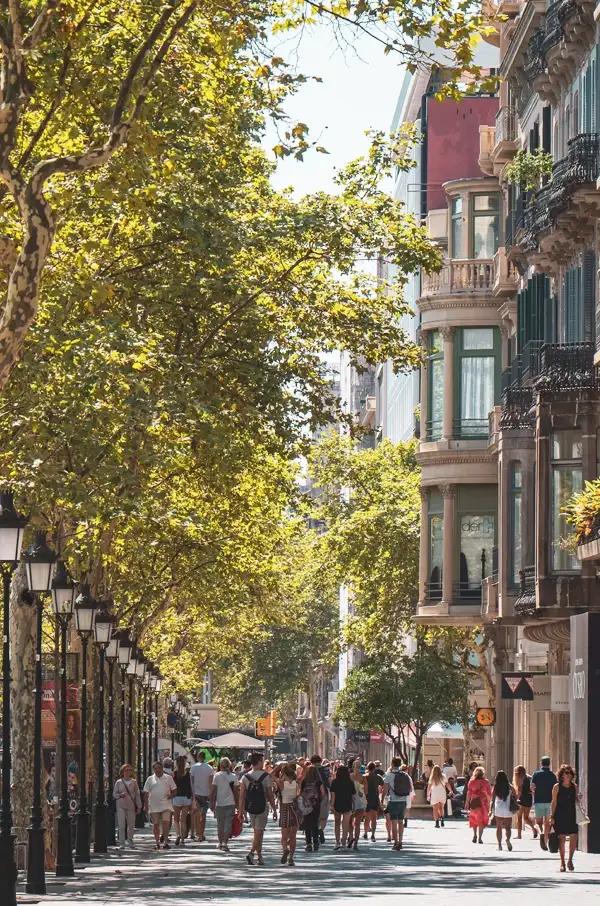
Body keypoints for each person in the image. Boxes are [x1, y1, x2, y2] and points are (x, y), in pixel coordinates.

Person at [239, 752, 276, 865]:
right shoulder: (265, 777)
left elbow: (241, 796)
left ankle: (260, 856)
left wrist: (240, 811)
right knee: (259, 832)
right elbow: (270, 795)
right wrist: (274, 808)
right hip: (262, 807)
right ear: (259, 762)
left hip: (250, 807)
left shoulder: (245, 777)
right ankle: (251, 853)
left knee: (257, 832)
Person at [551, 764, 580, 872]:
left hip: (572, 815)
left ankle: (570, 860)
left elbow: (576, 801)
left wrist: (579, 798)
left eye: (570, 773)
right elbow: (553, 803)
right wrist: (551, 816)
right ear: (562, 775)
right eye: (566, 773)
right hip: (560, 815)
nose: (568, 775)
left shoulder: (574, 787)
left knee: (574, 837)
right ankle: (562, 861)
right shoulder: (557, 787)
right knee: (562, 838)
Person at [143, 761, 177, 851]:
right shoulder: (150, 779)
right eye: (155, 768)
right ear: (153, 769)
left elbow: (175, 790)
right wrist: (145, 806)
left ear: (162, 768)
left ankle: (165, 842)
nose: (157, 770)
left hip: (166, 805)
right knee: (156, 825)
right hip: (154, 805)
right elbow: (146, 794)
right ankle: (157, 842)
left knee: (166, 823)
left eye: (159, 768)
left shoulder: (168, 778)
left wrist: (171, 795)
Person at [382, 756, 413, 851]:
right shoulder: (406, 775)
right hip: (403, 801)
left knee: (394, 822)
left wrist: (382, 801)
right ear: (400, 765)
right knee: (401, 822)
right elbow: (411, 789)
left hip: (393, 801)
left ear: (392, 764)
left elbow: (385, 790)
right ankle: (400, 841)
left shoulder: (389, 775)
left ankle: (395, 843)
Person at [211, 756, 239, 852]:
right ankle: (225, 843)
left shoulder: (217, 776)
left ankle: (219, 842)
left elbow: (213, 790)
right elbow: (236, 792)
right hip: (231, 803)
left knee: (220, 824)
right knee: (228, 824)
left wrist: (212, 802)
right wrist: (238, 805)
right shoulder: (233, 776)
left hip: (220, 803)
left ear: (220, 765)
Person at [531, 755, 558, 851]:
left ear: (541, 763)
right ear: (549, 764)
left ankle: (540, 833)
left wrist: (534, 793)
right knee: (547, 823)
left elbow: (532, 787)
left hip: (539, 800)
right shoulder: (553, 775)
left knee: (537, 823)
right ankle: (545, 841)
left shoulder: (536, 774)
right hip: (549, 801)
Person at [113, 764, 141, 849]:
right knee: (121, 824)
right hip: (121, 805)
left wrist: (139, 806)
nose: (128, 772)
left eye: (129, 770)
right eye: (126, 770)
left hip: (131, 805)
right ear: (122, 772)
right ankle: (122, 842)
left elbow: (137, 794)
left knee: (131, 824)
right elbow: (114, 794)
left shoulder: (134, 782)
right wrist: (120, 795)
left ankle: (130, 839)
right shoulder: (119, 782)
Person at [276, 763, 299, 866]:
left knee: (284, 836)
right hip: (295, 808)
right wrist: (298, 763)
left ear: (284, 772)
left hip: (285, 808)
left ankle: (285, 849)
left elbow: (271, 774)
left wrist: (279, 766)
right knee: (293, 836)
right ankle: (291, 858)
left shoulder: (281, 784)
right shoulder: (297, 782)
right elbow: (306, 770)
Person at [300, 764, 325, 852]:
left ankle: (308, 844)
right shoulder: (318, 781)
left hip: (306, 805)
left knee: (307, 824)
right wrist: (319, 800)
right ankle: (315, 843)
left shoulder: (304, 781)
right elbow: (323, 793)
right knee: (314, 823)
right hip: (315, 805)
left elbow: (301, 792)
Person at [330, 764, 355, 850]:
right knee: (346, 824)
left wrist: (331, 806)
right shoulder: (350, 783)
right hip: (347, 804)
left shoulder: (334, 782)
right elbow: (353, 796)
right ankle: (344, 843)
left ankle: (337, 842)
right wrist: (354, 806)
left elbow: (333, 795)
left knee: (337, 824)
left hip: (337, 804)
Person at [190, 750, 213, 842]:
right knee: (203, 815)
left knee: (196, 815)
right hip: (206, 793)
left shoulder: (193, 768)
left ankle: (198, 834)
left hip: (196, 793)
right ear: (205, 758)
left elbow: (191, 782)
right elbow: (210, 782)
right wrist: (211, 793)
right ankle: (202, 834)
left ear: (198, 757)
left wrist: (193, 794)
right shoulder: (209, 768)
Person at [490, 770, 516, 851]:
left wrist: (490, 810)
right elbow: (515, 795)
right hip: (508, 808)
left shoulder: (496, 787)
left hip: (499, 808)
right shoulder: (510, 787)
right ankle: (508, 840)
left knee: (499, 827)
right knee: (508, 827)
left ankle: (499, 845)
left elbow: (492, 800)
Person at [465, 766, 492, 844]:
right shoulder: (486, 782)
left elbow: (469, 793)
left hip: (474, 803)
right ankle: (480, 838)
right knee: (481, 821)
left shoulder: (471, 781)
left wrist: (467, 802)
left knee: (474, 819)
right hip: (483, 803)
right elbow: (489, 794)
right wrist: (490, 801)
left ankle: (474, 835)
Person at [172, 755, 194, 846]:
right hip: (186, 798)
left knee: (176, 820)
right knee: (183, 820)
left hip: (177, 798)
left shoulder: (173, 774)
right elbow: (192, 787)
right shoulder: (189, 774)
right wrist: (193, 798)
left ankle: (178, 834)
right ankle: (183, 840)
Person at [513, 765, 537, 840]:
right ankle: (534, 828)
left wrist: (517, 798)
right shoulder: (529, 777)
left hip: (522, 798)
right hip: (529, 798)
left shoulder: (520, 778)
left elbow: (519, 789)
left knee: (519, 817)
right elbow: (533, 788)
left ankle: (519, 835)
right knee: (526, 817)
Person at [311, 754, 331, 844]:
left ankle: (314, 831)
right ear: (320, 760)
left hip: (311, 795)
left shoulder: (309, 770)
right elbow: (330, 781)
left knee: (314, 816)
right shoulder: (326, 769)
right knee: (323, 816)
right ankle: (321, 829)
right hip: (324, 794)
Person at [348, 759, 367, 849]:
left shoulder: (349, 777)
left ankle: (351, 836)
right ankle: (355, 843)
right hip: (361, 800)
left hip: (352, 800)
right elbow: (366, 792)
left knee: (349, 821)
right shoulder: (363, 778)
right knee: (358, 824)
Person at [363, 761, 383, 841]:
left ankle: (365, 833)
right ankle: (373, 835)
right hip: (375, 798)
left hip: (366, 799)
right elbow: (383, 785)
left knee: (366, 817)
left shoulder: (364, 777)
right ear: (374, 768)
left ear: (367, 768)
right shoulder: (378, 777)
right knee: (374, 818)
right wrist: (379, 791)